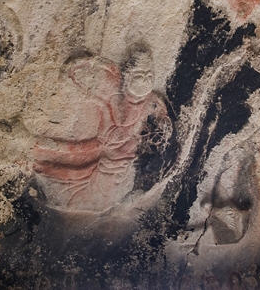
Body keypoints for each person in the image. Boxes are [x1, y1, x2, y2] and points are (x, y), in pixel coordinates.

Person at [33, 45, 171, 213]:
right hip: (106, 172)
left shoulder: (150, 102)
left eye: (150, 76)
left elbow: (161, 111)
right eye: (139, 76)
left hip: (123, 174)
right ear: (127, 78)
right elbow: (84, 146)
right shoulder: (112, 110)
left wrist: (163, 122)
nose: (145, 82)